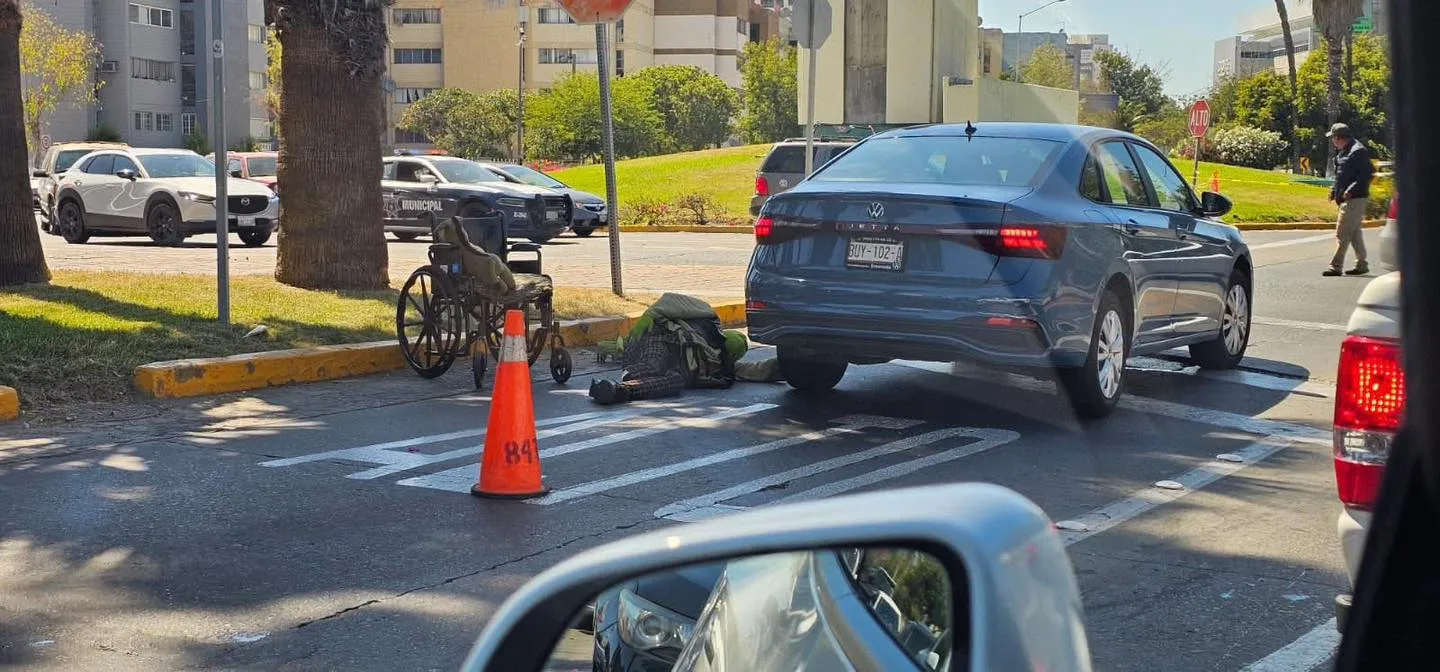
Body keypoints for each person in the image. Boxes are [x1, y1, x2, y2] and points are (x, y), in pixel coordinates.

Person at [588, 293, 748, 405]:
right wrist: (649, 315)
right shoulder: (708, 316)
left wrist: (774, 365)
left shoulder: (724, 368)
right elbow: (671, 300)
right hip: (660, 336)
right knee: (654, 364)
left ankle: (619, 391)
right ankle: (630, 373)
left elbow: (756, 370)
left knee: (676, 382)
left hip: (671, 365)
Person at [1324, 122, 1374, 277]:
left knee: (1342, 232)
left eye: (1333, 138)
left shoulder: (1358, 151)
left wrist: (1350, 191)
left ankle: (1335, 266)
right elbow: (1341, 175)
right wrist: (1334, 191)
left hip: (1354, 199)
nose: (1332, 141)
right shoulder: (1344, 151)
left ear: (1338, 138)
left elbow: (1367, 174)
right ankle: (1362, 264)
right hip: (1347, 198)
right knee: (1353, 233)